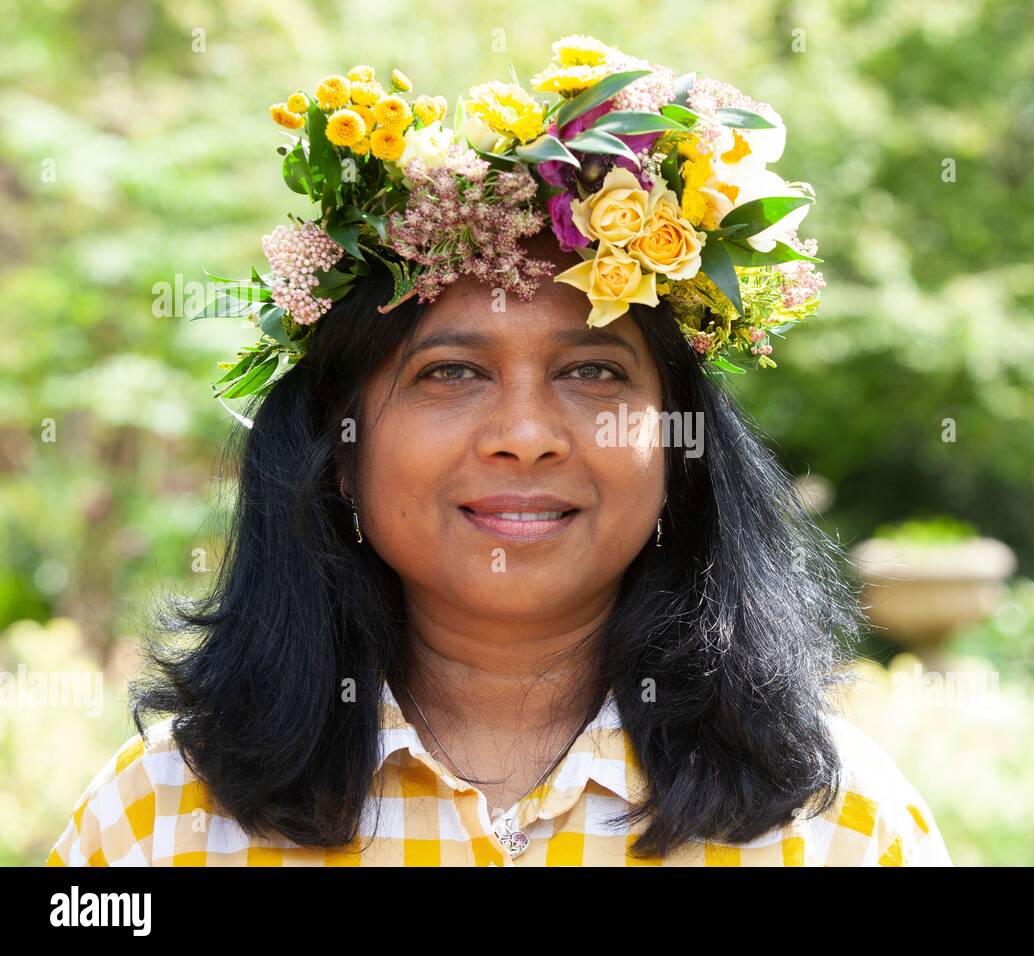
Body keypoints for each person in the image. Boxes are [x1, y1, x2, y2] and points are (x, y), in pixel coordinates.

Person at [47, 41, 953, 867]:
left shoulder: (840, 826)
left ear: (679, 446)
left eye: (594, 372)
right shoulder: (158, 820)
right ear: (337, 443)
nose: (526, 435)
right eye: (451, 373)